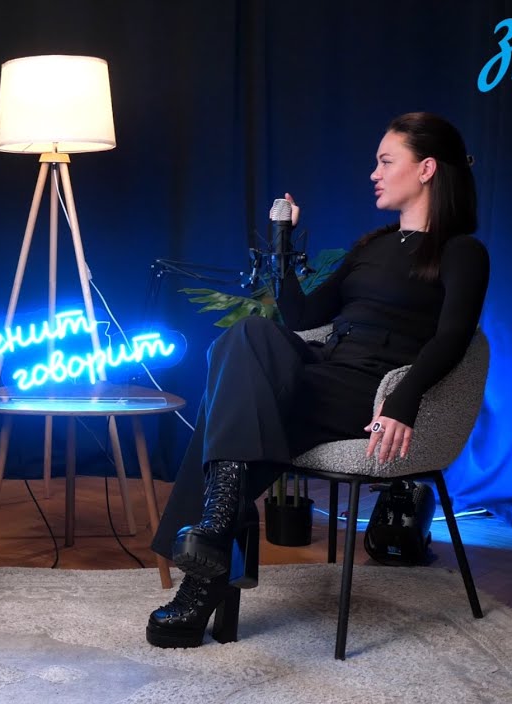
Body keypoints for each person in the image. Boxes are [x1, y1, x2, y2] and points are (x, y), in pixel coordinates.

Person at [145, 112, 489, 648]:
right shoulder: (371, 247)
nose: (374, 173)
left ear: (426, 169)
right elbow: (302, 317)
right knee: (249, 335)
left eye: (386, 161)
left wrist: (402, 401)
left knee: (230, 409)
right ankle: (214, 536)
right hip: (322, 368)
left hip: (370, 389)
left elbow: (455, 338)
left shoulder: (462, 252)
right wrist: (282, 242)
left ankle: (202, 579)